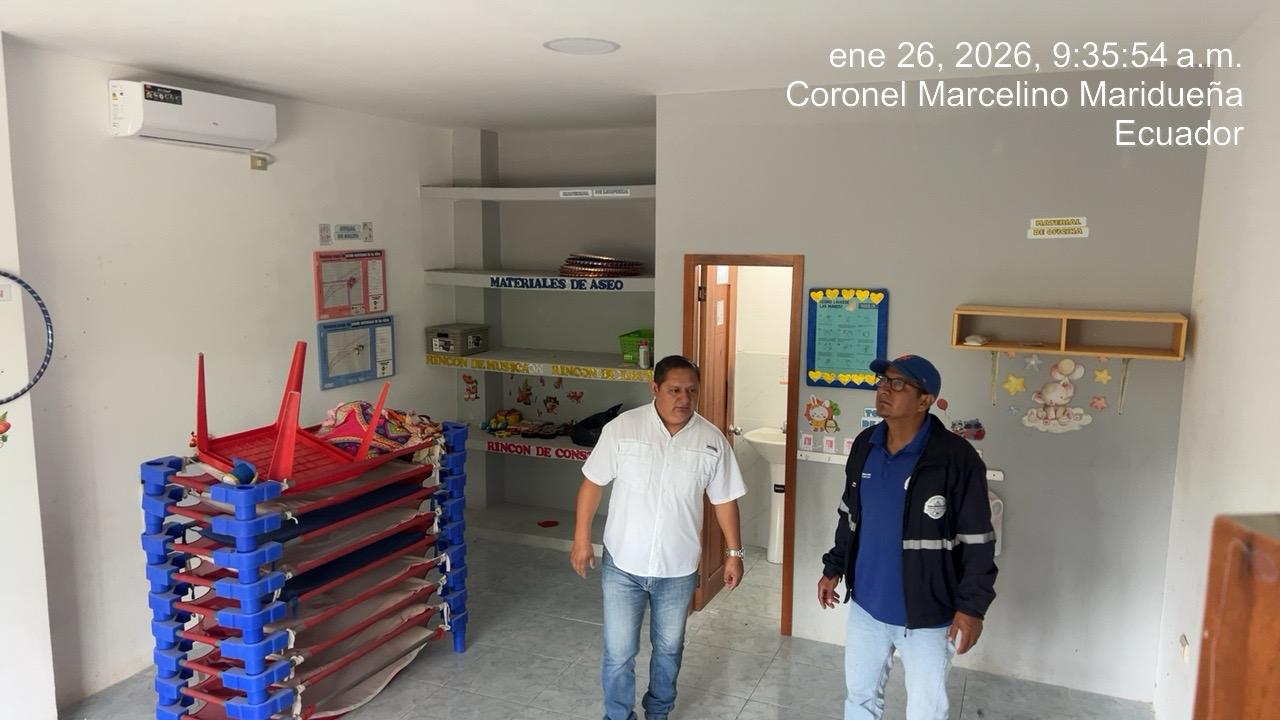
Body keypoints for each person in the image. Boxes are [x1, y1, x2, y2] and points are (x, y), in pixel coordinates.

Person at [818, 354, 997, 720]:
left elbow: (978, 541)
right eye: (883, 381)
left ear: (924, 400)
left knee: (925, 711)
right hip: (867, 605)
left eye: (898, 383)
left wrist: (971, 609)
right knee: (860, 699)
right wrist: (833, 568)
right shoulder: (866, 444)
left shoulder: (955, 458)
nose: (885, 389)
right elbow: (849, 514)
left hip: (929, 614)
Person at [571, 354, 747, 720]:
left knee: (669, 650)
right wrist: (581, 539)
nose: (684, 399)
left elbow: (725, 501)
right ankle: (618, 716)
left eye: (692, 391)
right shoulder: (623, 429)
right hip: (623, 565)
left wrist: (734, 553)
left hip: (677, 569)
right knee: (619, 653)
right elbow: (592, 484)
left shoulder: (712, 441)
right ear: (655, 388)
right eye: (674, 390)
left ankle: (658, 713)